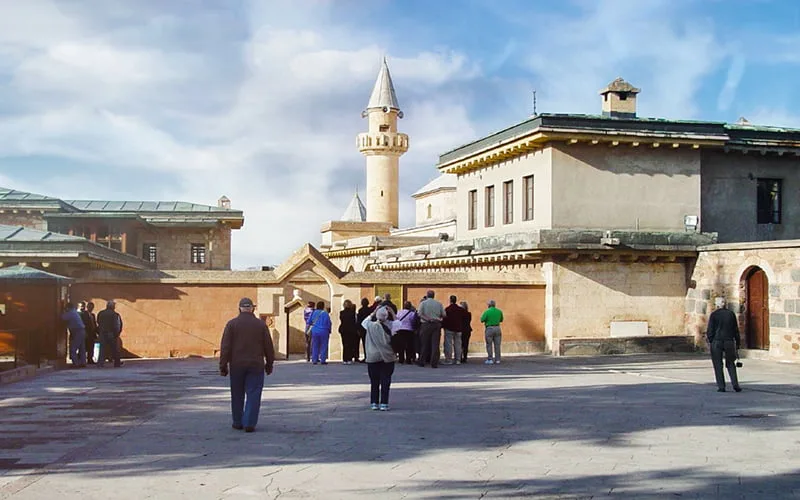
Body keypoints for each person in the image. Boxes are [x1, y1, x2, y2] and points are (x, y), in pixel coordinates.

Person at [219, 297, 275, 432]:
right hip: (256, 364)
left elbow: (225, 346)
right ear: (252, 309)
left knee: (237, 393)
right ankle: (249, 422)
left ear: (239, 308)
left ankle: (237, 421)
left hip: (237, 364)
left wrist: (223, 365)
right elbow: (268, 346)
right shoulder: (261, 325)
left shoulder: (232, 324)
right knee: (254, 393)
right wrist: (269, 363)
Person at [363, 306, 396, 411]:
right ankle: (384, 403)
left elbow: (364, 322)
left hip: (372, 356)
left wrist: (373, 312)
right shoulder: (391, 326)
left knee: (374, 381)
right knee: (385, 380)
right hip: (387, 356)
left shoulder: (369, 325)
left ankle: (374, 402)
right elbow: (399, 324)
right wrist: (393, 313)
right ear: (387, 316)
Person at [706, 297, 742, 392]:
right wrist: (737, 343)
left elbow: (710, 330)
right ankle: (735, 384)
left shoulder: (714, 315)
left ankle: (721, 386)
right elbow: (735, 330)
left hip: (717, 341)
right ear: (725, 304)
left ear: (717, 305)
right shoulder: (731, 314)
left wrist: (710, 340)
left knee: (718, 364)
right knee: (730, 363)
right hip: (729, 341)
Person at [417, 290, 446, 368]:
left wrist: (428, 319)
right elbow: (444, 314)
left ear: (427, 295)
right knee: (435, 344)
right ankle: (434, 362)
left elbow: (419, 314)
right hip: (436, 324)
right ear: (434, 295)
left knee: (424, 343)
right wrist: (438, 318)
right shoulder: (439, 304)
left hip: (426, 324)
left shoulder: (423, 303)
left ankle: (422, 361)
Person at [96, 300, 123, 368]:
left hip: (102, 333)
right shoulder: (115, 314)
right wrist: (117, 333)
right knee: (114, 349)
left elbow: (98, 322)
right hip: (111, 333)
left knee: (102, 349)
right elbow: (117, 325)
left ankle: (100, 363)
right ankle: (117, 363)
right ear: (112, 306)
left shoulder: (101, 313)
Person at [442, 295, 466, 365]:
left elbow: (444, 319)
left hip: (449, 329)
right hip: (458, 329)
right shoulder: (460, 309)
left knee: (448, 344)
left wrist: (443, 326)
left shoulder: (447, 309)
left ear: (450, 300)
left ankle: (449, 359)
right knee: (458, 344)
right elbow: (465, 317)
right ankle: (458, 360)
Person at [62, 302, 86, 368]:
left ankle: (75, 363)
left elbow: (62, 318)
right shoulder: (75, 312)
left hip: (77, 331)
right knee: (82, 348)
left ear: (68, 308)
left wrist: (63, 311)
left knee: (73, 348)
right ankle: (83, 362)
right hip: (81, 330)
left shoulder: (70, 313)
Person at [480, 299, 504, 365]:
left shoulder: (487, 312)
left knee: (489, 344)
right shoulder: (499, 311)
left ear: (488, 305)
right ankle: (498, 359)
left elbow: (482, 320)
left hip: (489, 328)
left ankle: (490, 359)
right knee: (497, 345)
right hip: (497, 328)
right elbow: (501, 319)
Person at [339, 300, 359, 364]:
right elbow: (355, 322)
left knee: (344, 344)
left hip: (343, 330)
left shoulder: (341, 312)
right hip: (351, 330)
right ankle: (349, 358)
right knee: (350, 344)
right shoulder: (352, 313)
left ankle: (344, 359)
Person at [356, 298, 372, 363]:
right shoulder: (370, 310)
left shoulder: (360, 310)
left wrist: (358, 329)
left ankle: (366, 357)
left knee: (364, 343)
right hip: (369, 328)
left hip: (362, 329)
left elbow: (359, 321)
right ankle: (370, 356)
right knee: (370, 344)